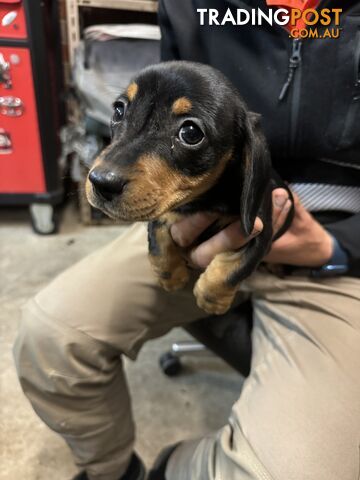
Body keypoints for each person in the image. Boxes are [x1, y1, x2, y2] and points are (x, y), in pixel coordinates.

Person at [14, 1, 360, 479]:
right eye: (120, 110)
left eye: (189, 132)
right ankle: (113, 470)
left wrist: (338, 247)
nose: (105, 170)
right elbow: (161, 100)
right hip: (194, 213)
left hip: (336, 242)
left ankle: (175, 468)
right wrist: (166, 236)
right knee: (49, 337)